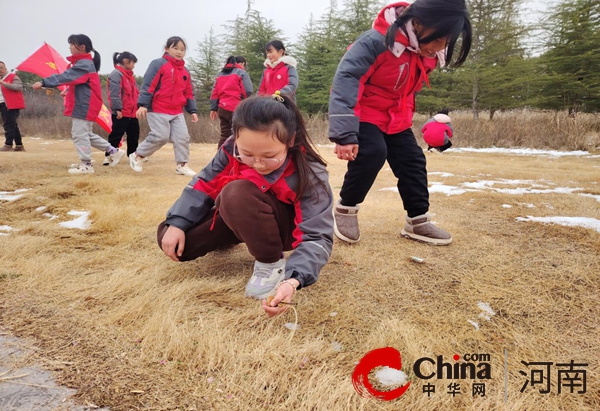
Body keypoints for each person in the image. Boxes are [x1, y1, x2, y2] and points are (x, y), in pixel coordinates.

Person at [157, 94, 333, 317]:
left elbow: (317, 236)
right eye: (247, 154)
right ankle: (236, 234)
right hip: (241, 211)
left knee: (235, 192)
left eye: (269, 156)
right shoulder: (230, 148)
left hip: (280, 228)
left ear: (290, 140)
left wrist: (293, 279)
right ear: (236, 137)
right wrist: (177, 222)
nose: (258, 163)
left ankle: (270, 263)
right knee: (171, 239)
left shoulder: (310, 173)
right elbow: (203, 183)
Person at [328, 0, 471, 245]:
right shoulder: (375, 42)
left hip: (397, 118)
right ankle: (346, 208)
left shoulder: (428, 53)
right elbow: (347, 80)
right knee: (373, 152)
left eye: (446, 42)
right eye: (437, 39)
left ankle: (418, 221)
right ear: (418, 22)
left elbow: (406, 88)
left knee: (413, 160)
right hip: (365, 113)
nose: (440, 47)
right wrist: (345, 134)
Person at [32, 34, 126, 174]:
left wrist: (45, 82)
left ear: (82, 47)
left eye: (71, 44)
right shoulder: (84, 63)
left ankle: (86, 165)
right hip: (85, 104)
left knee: (79, 134)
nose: (69, 47)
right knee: (86, 134)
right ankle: (113, 151)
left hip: (85, 105)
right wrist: (69, 90)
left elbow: (67, 76)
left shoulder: (84, 64)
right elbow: (80, 83)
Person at [129, 36, 198, 177]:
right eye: (175, 48)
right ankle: (137, 155)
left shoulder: (185, 71)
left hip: (177, 111)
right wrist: (143, 105)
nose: (179, 52)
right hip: (158, 108)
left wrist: (192, 110)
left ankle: (182, 165)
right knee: (160, 137)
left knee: (183, 137)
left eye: (183, 49)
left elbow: (188, 92)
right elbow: (148, 85)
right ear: (166, 49)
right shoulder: (158, 64)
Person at [103, 51, 140, 165]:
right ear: (125, 61)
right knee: (116, 134)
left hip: (132, 112)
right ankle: (109, 155)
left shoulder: (130, 76)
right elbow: (114, 93)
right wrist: (117, 108)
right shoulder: (116, 74)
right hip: (121, 111)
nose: (133, 65)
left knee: (134, 135)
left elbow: (135, 94)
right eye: (133, 62)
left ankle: (132, 156)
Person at [210, 56, 253, 148]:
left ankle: (220, 157)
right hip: (236, 107)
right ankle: (235, 157)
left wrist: (213, 108)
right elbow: (248, 90)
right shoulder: (241, 73)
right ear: (241, 64)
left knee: (224, 134)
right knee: (238, 134)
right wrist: (243, 101)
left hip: (222, 108)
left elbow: (214, 93)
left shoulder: (220, 74)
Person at [0, 61, 25, 152]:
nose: (0, 70)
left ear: (5, 68)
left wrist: (4, 83)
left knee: (9, 125)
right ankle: (19, 145)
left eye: (1, 68)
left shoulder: (13, 77)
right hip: (2, 104)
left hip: (10, 104)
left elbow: (18, 87)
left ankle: (8, 144)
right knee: (13, 125)